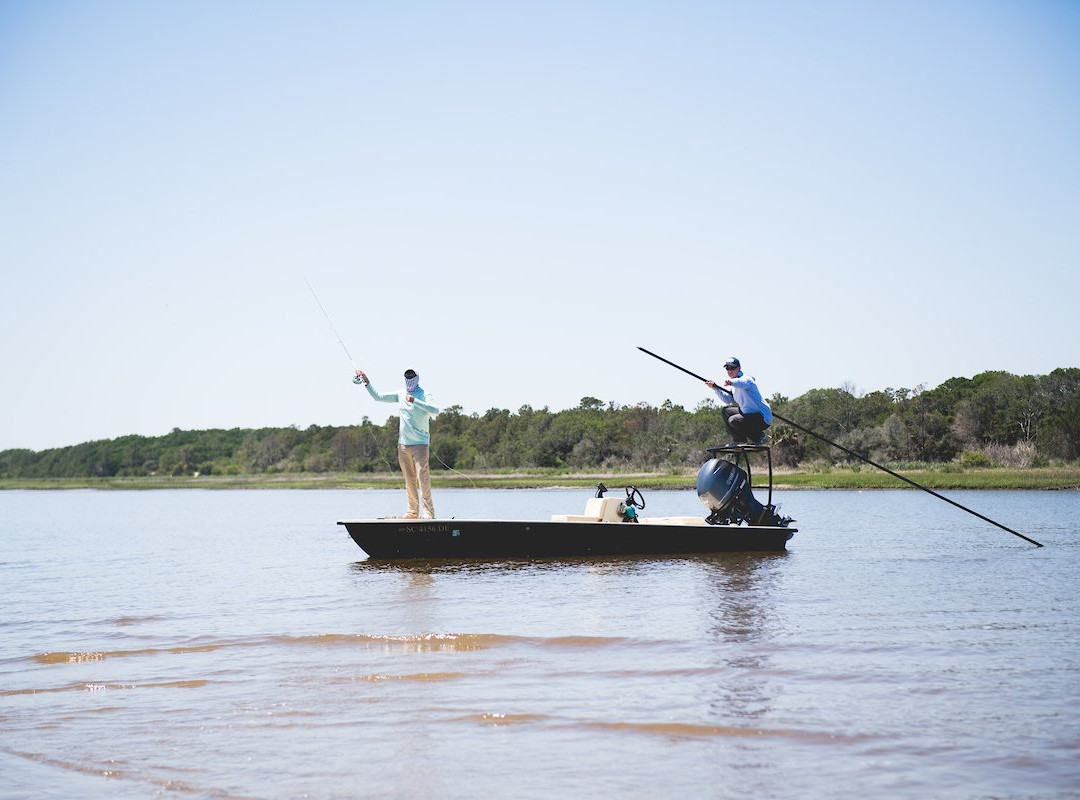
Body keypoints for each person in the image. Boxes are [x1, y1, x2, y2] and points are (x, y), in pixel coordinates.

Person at [353, 367, 440, 519]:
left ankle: (428, 513)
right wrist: (366, 381)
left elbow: (435, 410)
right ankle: (413, 512)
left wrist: (415, 401)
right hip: (403, 445)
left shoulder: (424, 394)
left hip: (420, 444)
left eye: (412, 376)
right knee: (409, 479)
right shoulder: (401, 394)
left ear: (417, 378)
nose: (409, 379)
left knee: (422, 478)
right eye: (407, 376)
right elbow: (378, 397)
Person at [705, 356, 772, 446]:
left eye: (732, 368)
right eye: (728, 368)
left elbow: (741, 383)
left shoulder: (746, 379)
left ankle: (759, 437)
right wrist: (715, 388)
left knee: (733, 420)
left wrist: (731, 382)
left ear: (739, 368)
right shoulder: (733, 385)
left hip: (762, 417)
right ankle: (739, 440)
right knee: (726, 411)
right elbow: (727, 399)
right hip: (748, 415)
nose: (730, 370)